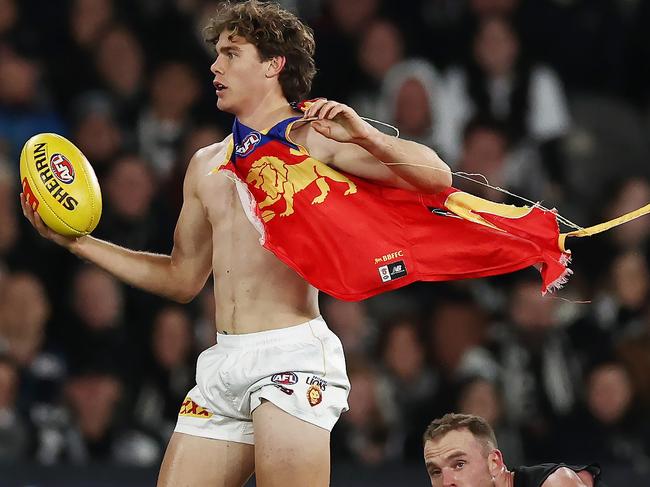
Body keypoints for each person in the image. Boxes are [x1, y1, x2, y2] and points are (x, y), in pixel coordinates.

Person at [20, 1, 452, 486]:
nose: (214, 66)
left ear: (272, 65)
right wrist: (78, 243)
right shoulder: (205, 163)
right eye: (217, 54)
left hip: (291, 358)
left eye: (231, 53)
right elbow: (183, 279)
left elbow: (435, 176)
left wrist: (366, 136)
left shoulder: (311, 139)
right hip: (224, 361)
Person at [423, 412, 605, 487]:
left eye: (459, 464)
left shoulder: (555, 483)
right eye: (436, 471)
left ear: (494, 463)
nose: (446, 483)